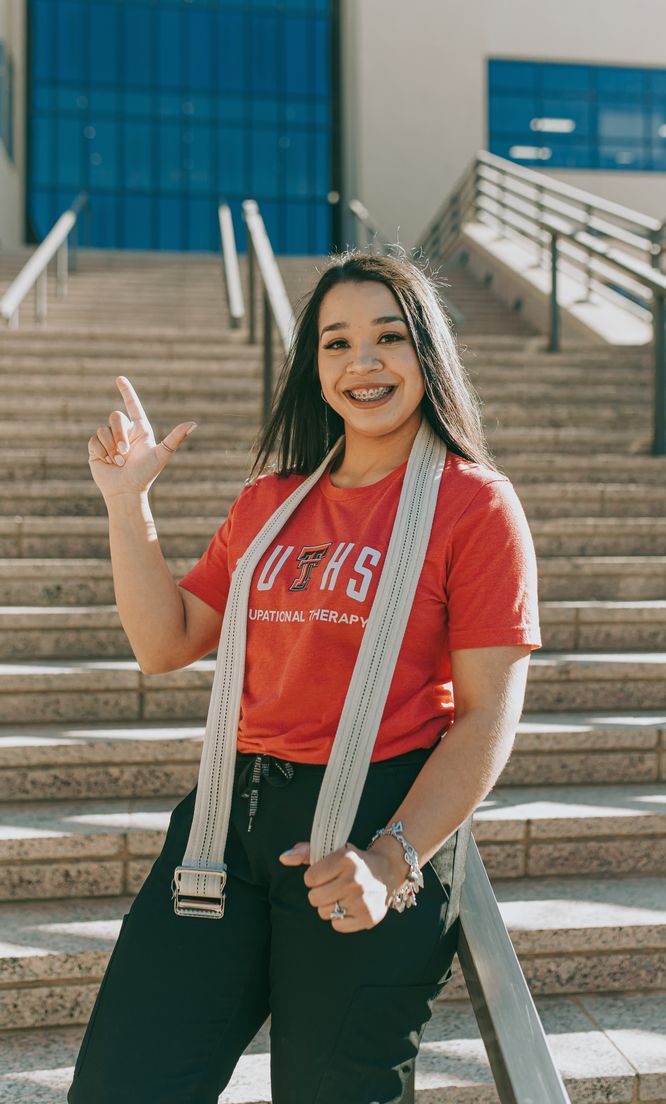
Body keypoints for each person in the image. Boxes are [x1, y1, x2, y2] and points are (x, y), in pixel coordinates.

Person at [69, 247, 542, 1104]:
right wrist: (127, 504)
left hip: (374, 828)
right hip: (228, 826)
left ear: (427, 352)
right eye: (335, 343)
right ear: (313, 365)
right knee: (120, 1084)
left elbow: (485, 719)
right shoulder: (271, 500)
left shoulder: (475, 505)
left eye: (388, 338)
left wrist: (392, 861)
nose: (362, 363)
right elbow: (164, 642)